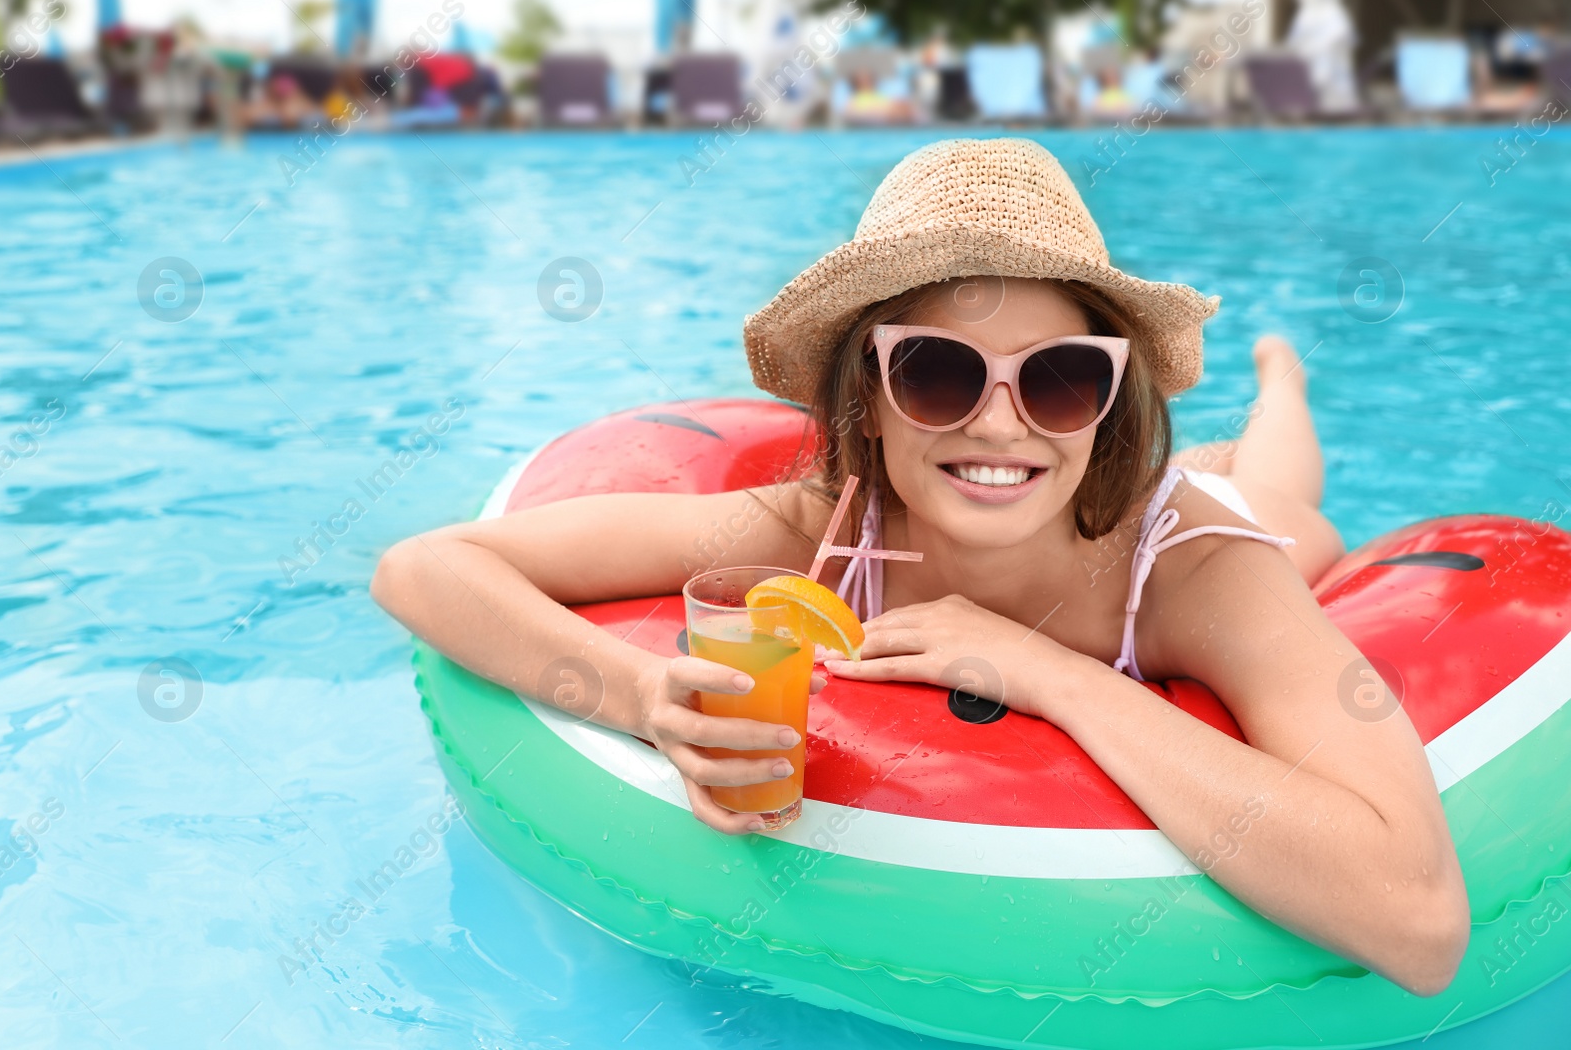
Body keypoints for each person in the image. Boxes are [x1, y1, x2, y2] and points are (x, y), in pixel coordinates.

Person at [371, 138, 1468, 997]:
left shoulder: (1197, 572)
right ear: (866, 399)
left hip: (1201, 522)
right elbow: (428, 569)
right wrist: (648, 698)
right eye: (940, 373)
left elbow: (1418, 927)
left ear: (1112, 403)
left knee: (1287, 499)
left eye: (1061, 381)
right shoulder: (824, 527)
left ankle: (1281, 385)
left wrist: (1046, 671)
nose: (999, 424)